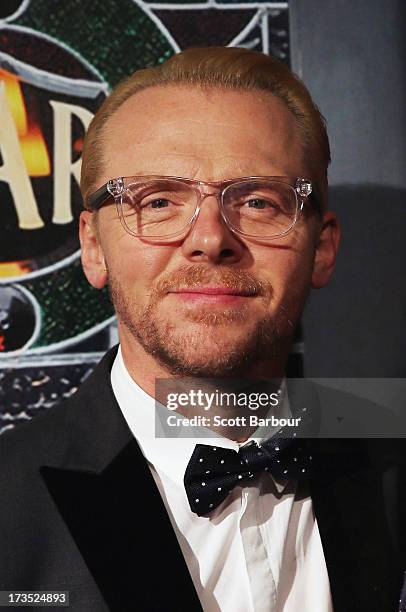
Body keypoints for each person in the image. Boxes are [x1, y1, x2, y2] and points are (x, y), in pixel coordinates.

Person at [0, 47, 404, 612]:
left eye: (259, 201)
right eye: (159, 201)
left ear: (323, 248)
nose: (211, 238)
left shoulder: (390, 461)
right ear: (93, 247)